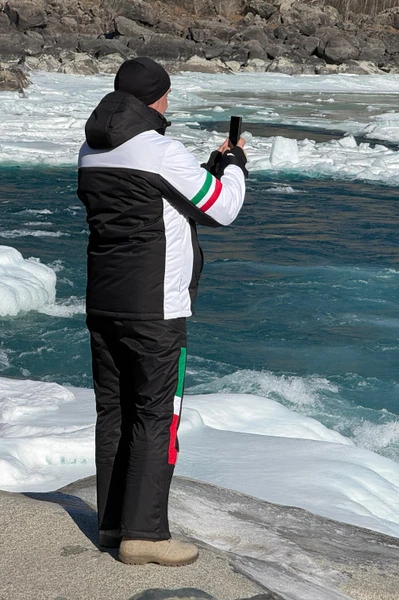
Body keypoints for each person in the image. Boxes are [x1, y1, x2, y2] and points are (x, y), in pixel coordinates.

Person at [77, 57, 247, 567]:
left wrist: (207, 171)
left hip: (104, 301)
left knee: (114, 411)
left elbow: (164, 197)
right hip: (155, 307)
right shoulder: (160, 149)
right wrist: (234, 166)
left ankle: (112, 525)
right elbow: (221, 209)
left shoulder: (91, 149)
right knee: (157, 415)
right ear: (158, 99)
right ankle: (146, 536)